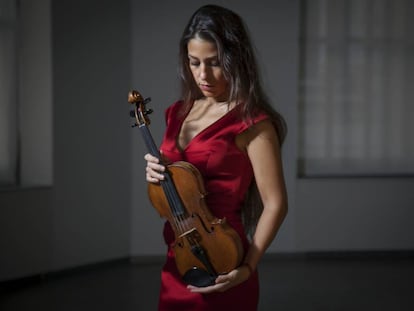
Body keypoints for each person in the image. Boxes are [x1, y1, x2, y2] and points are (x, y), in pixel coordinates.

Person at [144, 4, 288, 310]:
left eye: (214, 63)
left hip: (225, 258)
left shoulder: (253, 123)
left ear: (236, 59)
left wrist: (247, 269)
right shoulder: (176, 112)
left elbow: (276, 203)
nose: (202, 75)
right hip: (179, 257)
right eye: (194, 62)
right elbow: (179, 182)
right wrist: (156, 173)